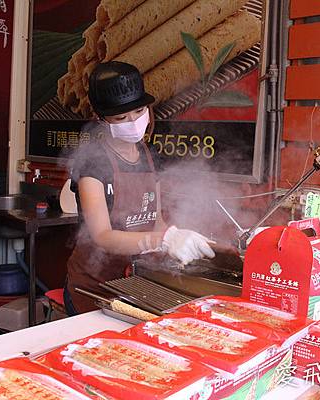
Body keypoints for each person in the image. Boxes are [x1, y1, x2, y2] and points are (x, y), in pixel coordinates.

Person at [64, 61, 214, 314]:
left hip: (133, 283)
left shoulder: (148, 155)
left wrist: (177, 235)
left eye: (139, 111)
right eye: (121, 117)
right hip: (93, 288)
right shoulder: (93, 165)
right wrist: (163, 240)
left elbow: (153, 221)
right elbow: (103, 237)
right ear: (101, 119)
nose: (133, 122)